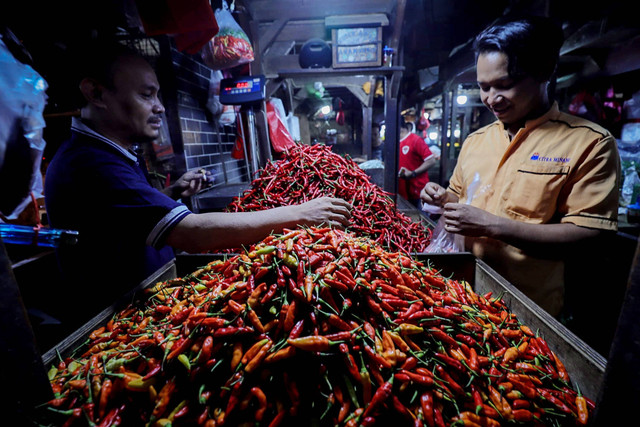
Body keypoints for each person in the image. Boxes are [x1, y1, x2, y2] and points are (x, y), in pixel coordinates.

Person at [44, 41, 351, 328]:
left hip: (149, 302)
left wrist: (168, 195)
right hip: (117, 322)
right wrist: (298, 213)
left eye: (158, 96)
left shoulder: (110, 154)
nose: (160, 108)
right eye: (146, 95)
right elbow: (189, 233)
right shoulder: (89, 162)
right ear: (96, 94)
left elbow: (116, 221)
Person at [420, 16, 620, 317]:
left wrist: (492, 226)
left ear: (543, 73)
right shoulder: (476, 141)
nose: (491, 99)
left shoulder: (589, 143)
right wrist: (441, 199)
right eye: (483, 87)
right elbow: (460, 199)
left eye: (504, 85)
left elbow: (590, 236)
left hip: (527, 309)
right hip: (460, 296)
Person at [398, 120, 437, 207]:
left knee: (421, 217)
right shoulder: (396, 142)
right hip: (403, 191)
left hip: (418, 189)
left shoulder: (415, 140)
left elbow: (431, 160)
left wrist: (413, 173)